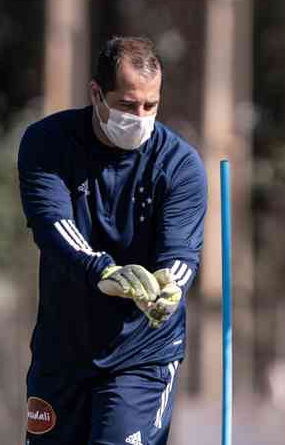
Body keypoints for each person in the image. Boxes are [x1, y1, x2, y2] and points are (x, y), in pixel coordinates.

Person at [18, 36, 207, 445]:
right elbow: (52, 226)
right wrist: (104, 270)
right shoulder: (47, 144)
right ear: (96, 93)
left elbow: (181, 254)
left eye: (150, 106)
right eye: (126, 105)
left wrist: (167, 287)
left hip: (142, 353)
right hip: (62, 351)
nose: (139, 117)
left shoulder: (180, 165)